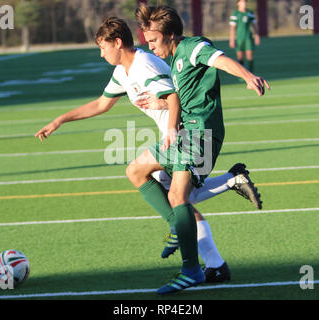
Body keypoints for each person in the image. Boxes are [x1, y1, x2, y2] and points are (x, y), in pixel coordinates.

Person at [34, 17, 261, 287]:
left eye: (102, 47)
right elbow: (100, 105)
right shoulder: (123, 71)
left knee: (180, 199)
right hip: (175, 137)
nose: (101, 53)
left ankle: (196, 265)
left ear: (117, 43)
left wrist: (172, 129)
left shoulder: (145, 65)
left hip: (187, 135)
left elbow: (175, 97)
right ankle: (210, 249)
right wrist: (60, 120)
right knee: (145, 177)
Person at [132, 5, 269, 294]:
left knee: (179, 197)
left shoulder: (192, 47)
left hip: (202, 133)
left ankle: (192, 269)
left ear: (170, 35)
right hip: (187, 132)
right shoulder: (175, 59)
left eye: (153, 40)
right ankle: (181, 230)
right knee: (137, 170)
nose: (150, 46)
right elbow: (184, 95)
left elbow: (220, 60)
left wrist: (246, 75)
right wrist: (161, 104)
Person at [229, 0, 260, 72]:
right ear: (238, 3)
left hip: (248, 38)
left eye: (245, 2)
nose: (244, 3)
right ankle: (242, 74)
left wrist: (257, 36)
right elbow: (232, 28)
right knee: (240, 57)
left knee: (250, 56)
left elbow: (254, 25)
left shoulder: (249, 13)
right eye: (242, 2)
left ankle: (251, 74)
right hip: (239, 38)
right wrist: (232, 40)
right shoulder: (235, 14)